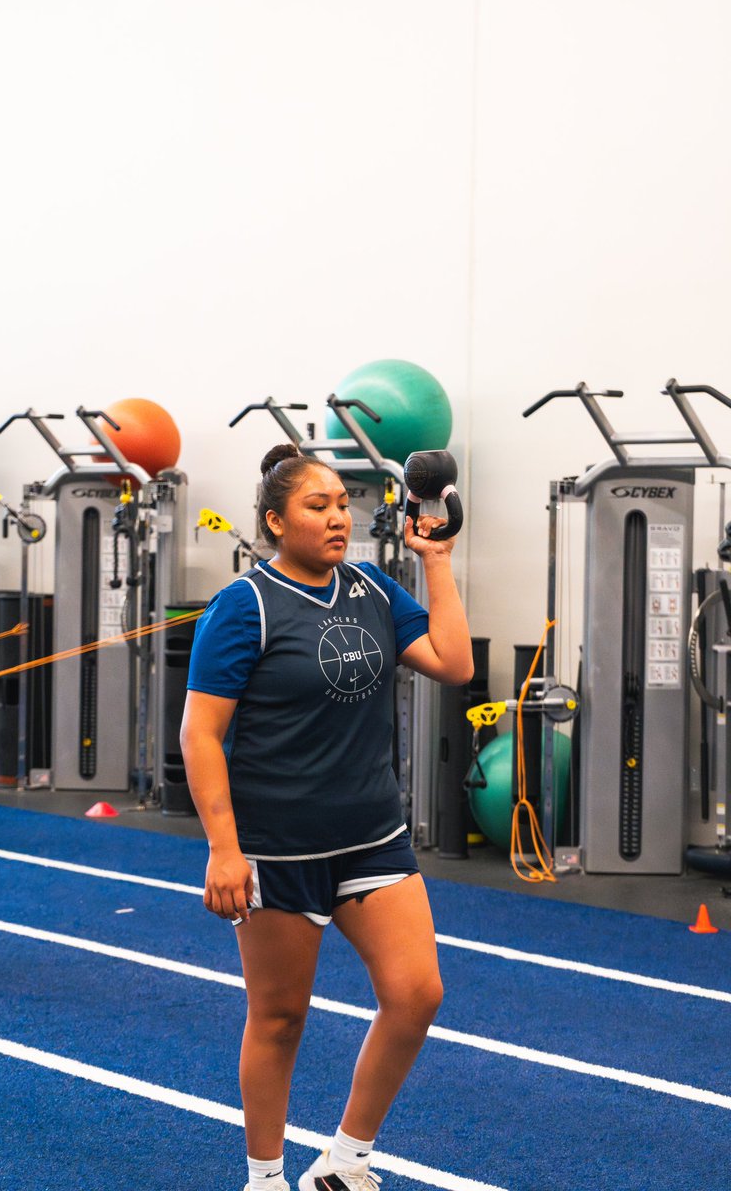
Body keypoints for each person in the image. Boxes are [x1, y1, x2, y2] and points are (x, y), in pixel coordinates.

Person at [180, 443, 473, 1191]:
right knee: (280, 1020)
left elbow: (453, 663)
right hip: (278, 849)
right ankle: (265, 1177)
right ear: (276, 521)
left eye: (344, 503)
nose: (339, 516)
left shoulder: (373, 588)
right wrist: (223, 849)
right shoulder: (242, 607)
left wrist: (435, 558)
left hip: (372, 834)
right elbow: (200, 734)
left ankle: (345, 1160)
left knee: (417, 995)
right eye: (319, 505)